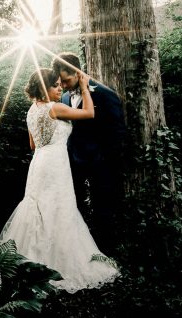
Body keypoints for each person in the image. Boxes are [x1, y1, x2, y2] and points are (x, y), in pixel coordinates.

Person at [0, 68, 119, 293]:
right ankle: (58, 264)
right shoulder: (56, 108)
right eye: (55, 86)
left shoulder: (31, 111)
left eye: (60, 85)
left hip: (39, 163)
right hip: (55, 164)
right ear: (44, 88)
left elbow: (33, 145)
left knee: (38, 209)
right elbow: (90, 113)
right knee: (59, 209)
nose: (60, 88)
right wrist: (84, 88)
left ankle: (29, 263)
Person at [51, 52, 126, 254]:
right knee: (74, 206)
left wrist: (104, 157)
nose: (64, 86)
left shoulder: (104, 94)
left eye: (66, 80)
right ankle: (81, 252)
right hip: (74, 162)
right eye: (60, 82)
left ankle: (106, 252)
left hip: (100, 163)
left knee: (103, 208)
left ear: (77, 72)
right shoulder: (65, 98)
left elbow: (117, 131)